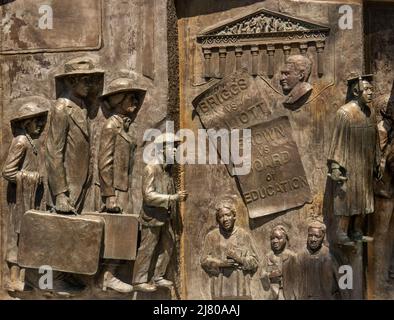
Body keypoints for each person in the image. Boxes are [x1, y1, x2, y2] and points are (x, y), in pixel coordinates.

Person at [96, 77, 146, 293]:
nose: (135, 101)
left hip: (123, 186)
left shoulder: (123, 125)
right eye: (130, 97)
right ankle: (107, 276)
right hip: (114, 189)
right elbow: (104, 161)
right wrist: (109, 195)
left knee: (125, 230)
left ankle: (112, 274)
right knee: (115, 230)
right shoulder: (110, 126)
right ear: (118, 100)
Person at [46, 56, 104, 214]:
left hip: (82, 182)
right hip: (68, 188)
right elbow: (54, 152)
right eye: (85, 80)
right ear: (72, 81)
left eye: (91, 80)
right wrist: (60, 194)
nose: (90, 85)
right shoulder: (61, 108)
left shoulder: (82, 106)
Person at [2, 101, 48, 292]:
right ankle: (12, 279)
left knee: (31, 236)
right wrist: (29, 178)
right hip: (21, 199)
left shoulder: (33, 141)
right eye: (36, 120)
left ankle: (27, 277)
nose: (40, 124)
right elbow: (7, 171)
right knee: (17, 236)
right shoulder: (21, 141)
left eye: (41, 120)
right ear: (26, 123)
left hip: (33, 198)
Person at [133, 132, 188, 292]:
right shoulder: (151, 168)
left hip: (164, 217)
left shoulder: (167, 170)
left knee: (168, 245)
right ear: (162, 149)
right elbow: (148, 196)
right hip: (151, 218)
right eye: (173, 148)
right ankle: (138, 281)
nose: (176, 152)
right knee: (147, 248)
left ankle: (158, 276)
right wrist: (172, 198)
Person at [328, 75, 379, 245]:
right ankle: (341, 233)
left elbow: (376, 140)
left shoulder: (370, 113)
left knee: (363, 201)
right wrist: (335, 168)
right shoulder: (345, 113)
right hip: (349, 166)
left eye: (372, 89)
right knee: (346, 200)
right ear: (357, 91)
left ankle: (356, 230)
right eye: (367, 89)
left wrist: (377, 162)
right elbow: (338, 141)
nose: (371, 92)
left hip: (364, 166)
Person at [200, 199, 259, 300]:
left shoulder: (243, 235)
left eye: (228, 215)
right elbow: (204, 260)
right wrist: (221, 263)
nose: (225, 219)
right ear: (218, 219)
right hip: (220, 289)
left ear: (234, 216)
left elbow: (255, 262)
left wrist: (239, 259)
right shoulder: (211, 236)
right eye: (221, 216)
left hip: (241, 289)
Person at [296, 221, 340, 300]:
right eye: (310, 236)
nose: (313, 239)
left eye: (317, 236)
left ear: (323, 237)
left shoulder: (329, 256)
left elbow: (340, 285)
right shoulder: (300, 256)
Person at [260, 225, 296, 300]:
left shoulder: (292, 256)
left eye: (279, 238)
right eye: (272, 239)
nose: (275, 241)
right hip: (272, 294)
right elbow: (262, 275)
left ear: (285, 239)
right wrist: (270, 275)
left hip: (289, 294)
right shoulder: (268, 257)